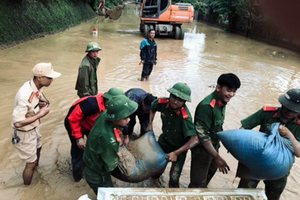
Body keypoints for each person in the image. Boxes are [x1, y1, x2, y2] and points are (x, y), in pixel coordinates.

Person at [238, 88, 300, 200]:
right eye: (287, 108)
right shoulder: (267, 113)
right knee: (243, 193)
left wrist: (288, 134)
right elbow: (244, 128)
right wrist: (239, 146)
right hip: (257, 161)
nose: (289, 113)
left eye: (294, 111)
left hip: (280, 167)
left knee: (273, 195)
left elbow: (298, 152)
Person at [11, 62, 61, 185]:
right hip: (24, 132)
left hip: (33, 127)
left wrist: (43, 102)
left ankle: (35, 167)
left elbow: (39, 96)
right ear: (39, 78)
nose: (52, 80)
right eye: (49, 78)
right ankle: (27, 188)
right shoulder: (25, 95)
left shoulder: (34, 86)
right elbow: (17, 123)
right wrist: (40, 114)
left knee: (39, 146)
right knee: (30, 163)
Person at [189, 73, 241, 188]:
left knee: (210, 173)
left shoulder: (222, 101)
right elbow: (203, 136)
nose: (231, 94)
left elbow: (217, 127)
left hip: (214, 146)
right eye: (228, 90)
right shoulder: (206, 106)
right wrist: (217, 157)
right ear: (218, 88)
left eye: (234, 91)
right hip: (202, 150)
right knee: (197, 183)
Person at [64, 87, 124, 182]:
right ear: (108, 100)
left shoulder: (110, 108)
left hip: (90, 124)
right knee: (78, 150)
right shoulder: (90, 104)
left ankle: (92, 164)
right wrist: (78, 137)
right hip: (74, 124)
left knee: (95, 146)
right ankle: (77, 177)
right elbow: (72, 118)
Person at [83, 95, 138, 194]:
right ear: (115, 118)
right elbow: (111, 166)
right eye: (124, 117)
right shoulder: (109, 140)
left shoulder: (105, 114)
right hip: (97, 174)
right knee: (107, 194)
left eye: (128, 116)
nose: (128, 120)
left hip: (89, 158)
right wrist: (119, 157)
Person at [147, 82, 199, 188]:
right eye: (174, 97)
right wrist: (150, 124)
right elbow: (153, 107)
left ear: (184, 101)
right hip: (164, 142)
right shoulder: (162, 102)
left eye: (180, 100)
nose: (175, 101)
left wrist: (175, 153)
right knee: (155, 171)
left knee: (174, 178)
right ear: (170, 95)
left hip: (179, 148)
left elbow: (194, 139)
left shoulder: (186, 117)